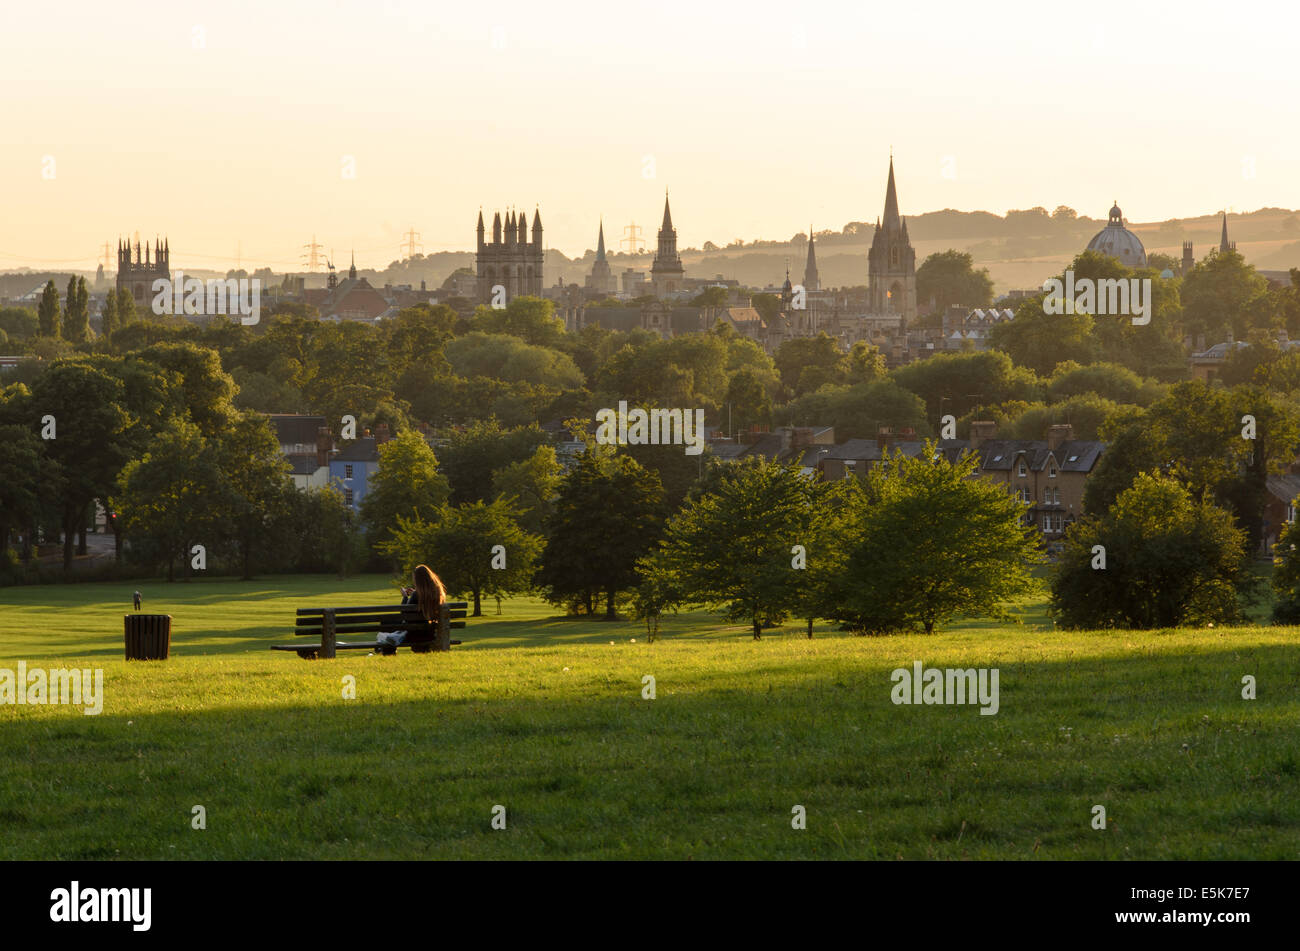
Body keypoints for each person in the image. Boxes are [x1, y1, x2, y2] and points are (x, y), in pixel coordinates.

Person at [376, 565, 447, 654]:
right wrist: (414, 594)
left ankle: (387, 651)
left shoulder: (416, 595)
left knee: (385, 622)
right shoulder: (437, 592)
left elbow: (404, 614)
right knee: (388, 623)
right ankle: (386, 649)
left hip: (413, 634)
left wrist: (405, 597)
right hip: (429, 632)